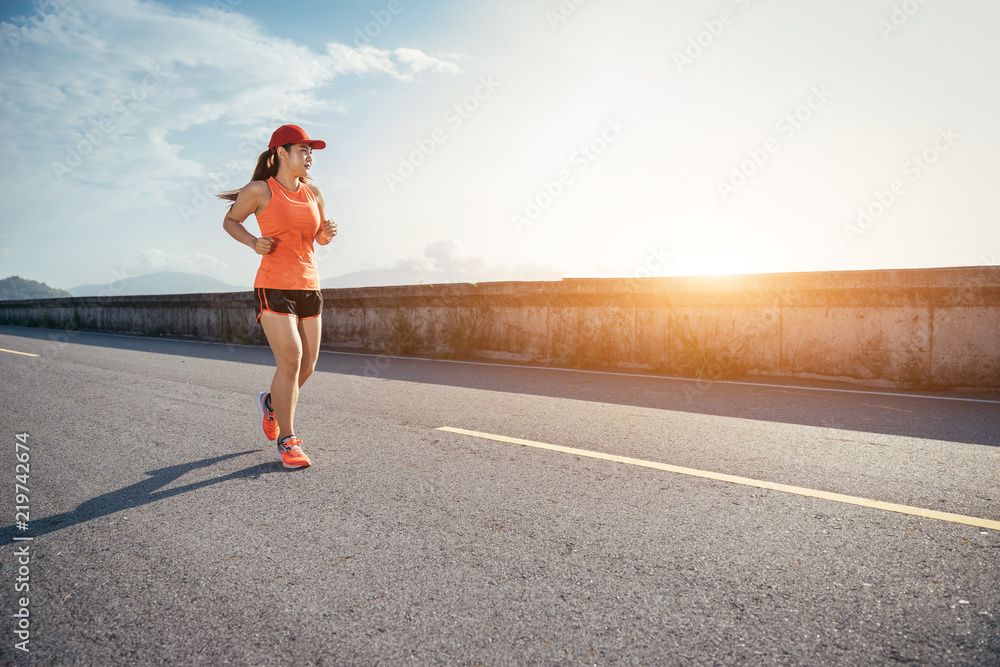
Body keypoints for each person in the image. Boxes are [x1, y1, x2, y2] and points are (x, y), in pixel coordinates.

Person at [220, 124, 337, 468]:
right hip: (273, 285)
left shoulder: (314, 192)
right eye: (302, 150)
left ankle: (271, 403)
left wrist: (326, 235)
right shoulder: (259, 190)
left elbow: (317, 237)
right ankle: (287, 440)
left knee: (308, 365)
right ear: (281, 153)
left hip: (309, 285)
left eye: (311, 151)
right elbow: (231, 221)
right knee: (291, 359)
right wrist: (253, 242)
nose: (309, 157)